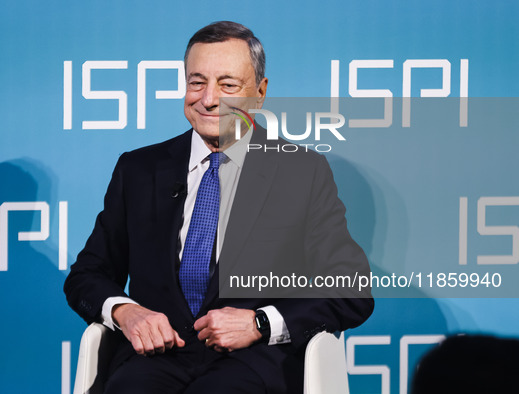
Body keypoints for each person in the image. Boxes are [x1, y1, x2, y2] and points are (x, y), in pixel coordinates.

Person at [64, 21, 373, 394]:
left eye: (228, 85)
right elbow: (87, 275)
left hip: (254, 363)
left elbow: (350, 287)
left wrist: (260, 323)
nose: (209, 99)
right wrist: (125, 312)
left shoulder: (300, 171)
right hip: (153, 361)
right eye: (197, 82)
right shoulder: (139, 169)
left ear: (259, 94)